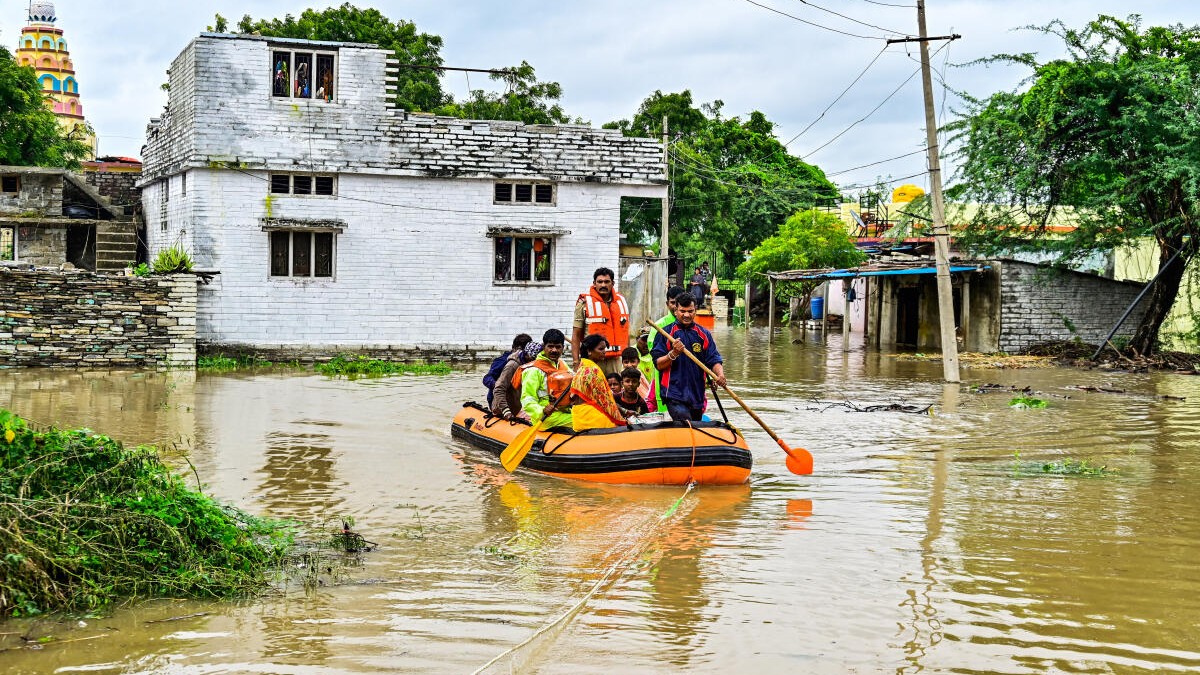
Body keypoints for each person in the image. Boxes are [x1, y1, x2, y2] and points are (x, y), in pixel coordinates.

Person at [651, 292, 726, 422]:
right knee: (685, 423)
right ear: (675, 311)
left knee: (695, 427)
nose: (686, 315)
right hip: (673, 393)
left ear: (695, 310)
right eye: (682, 311)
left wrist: (720, 375)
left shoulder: (704, 334)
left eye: (690, 311)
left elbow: (713, 359)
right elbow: (658, 364)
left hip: (696, 394)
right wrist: (673, 354)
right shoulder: (665, 333)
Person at [572, 267, 630, 376]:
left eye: (607, 282)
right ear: (594, 283)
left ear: (612, 283)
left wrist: (628, 358)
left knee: (615, 391)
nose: (603, 285)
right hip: (592, 359)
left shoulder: (621, 302)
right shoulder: (584, 303)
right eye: (600, 282)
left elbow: (626, 331)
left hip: (616, 360)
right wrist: (576, 362)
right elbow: (576, 335)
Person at [519, 329, 574, 429]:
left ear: (563, 348)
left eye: (558, 347)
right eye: (550, 346)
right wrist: (542, 410)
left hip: (564, 411)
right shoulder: (533, 370)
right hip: (545, 417)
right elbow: (527, 400)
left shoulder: (563, 365)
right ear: (544, 347)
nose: (554, 350)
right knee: (582, 421)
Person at [570, 334, 626, 432]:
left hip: (578, 418)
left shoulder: (581, 368)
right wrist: (621, 420)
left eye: (604, 349)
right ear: (589, 351)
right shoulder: (593, 370)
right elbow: (605, 402)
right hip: (591, 419)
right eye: (601, 349)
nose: (604, 352)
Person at [491, 340, 540, 419]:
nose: (534, 362)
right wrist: (506, 410)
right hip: (502, 410)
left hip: (516, 409)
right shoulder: (512, 366)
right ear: (526, 355)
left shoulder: (530, 367)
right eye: (533, 359)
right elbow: (499, 388)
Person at [484, 333, 532, 406]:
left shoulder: (529, 362)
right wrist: (499, 385)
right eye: (519, 350)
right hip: (498, 399)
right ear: (513, 348)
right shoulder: (503, 361)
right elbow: (487, 378)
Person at [621, 346, 656, 412]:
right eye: (626, 362)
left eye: (632, 362)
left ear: (638, 361)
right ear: (622, 362)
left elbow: (645, 392)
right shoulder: (621, 375)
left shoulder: (639, 375)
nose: (629, 365)